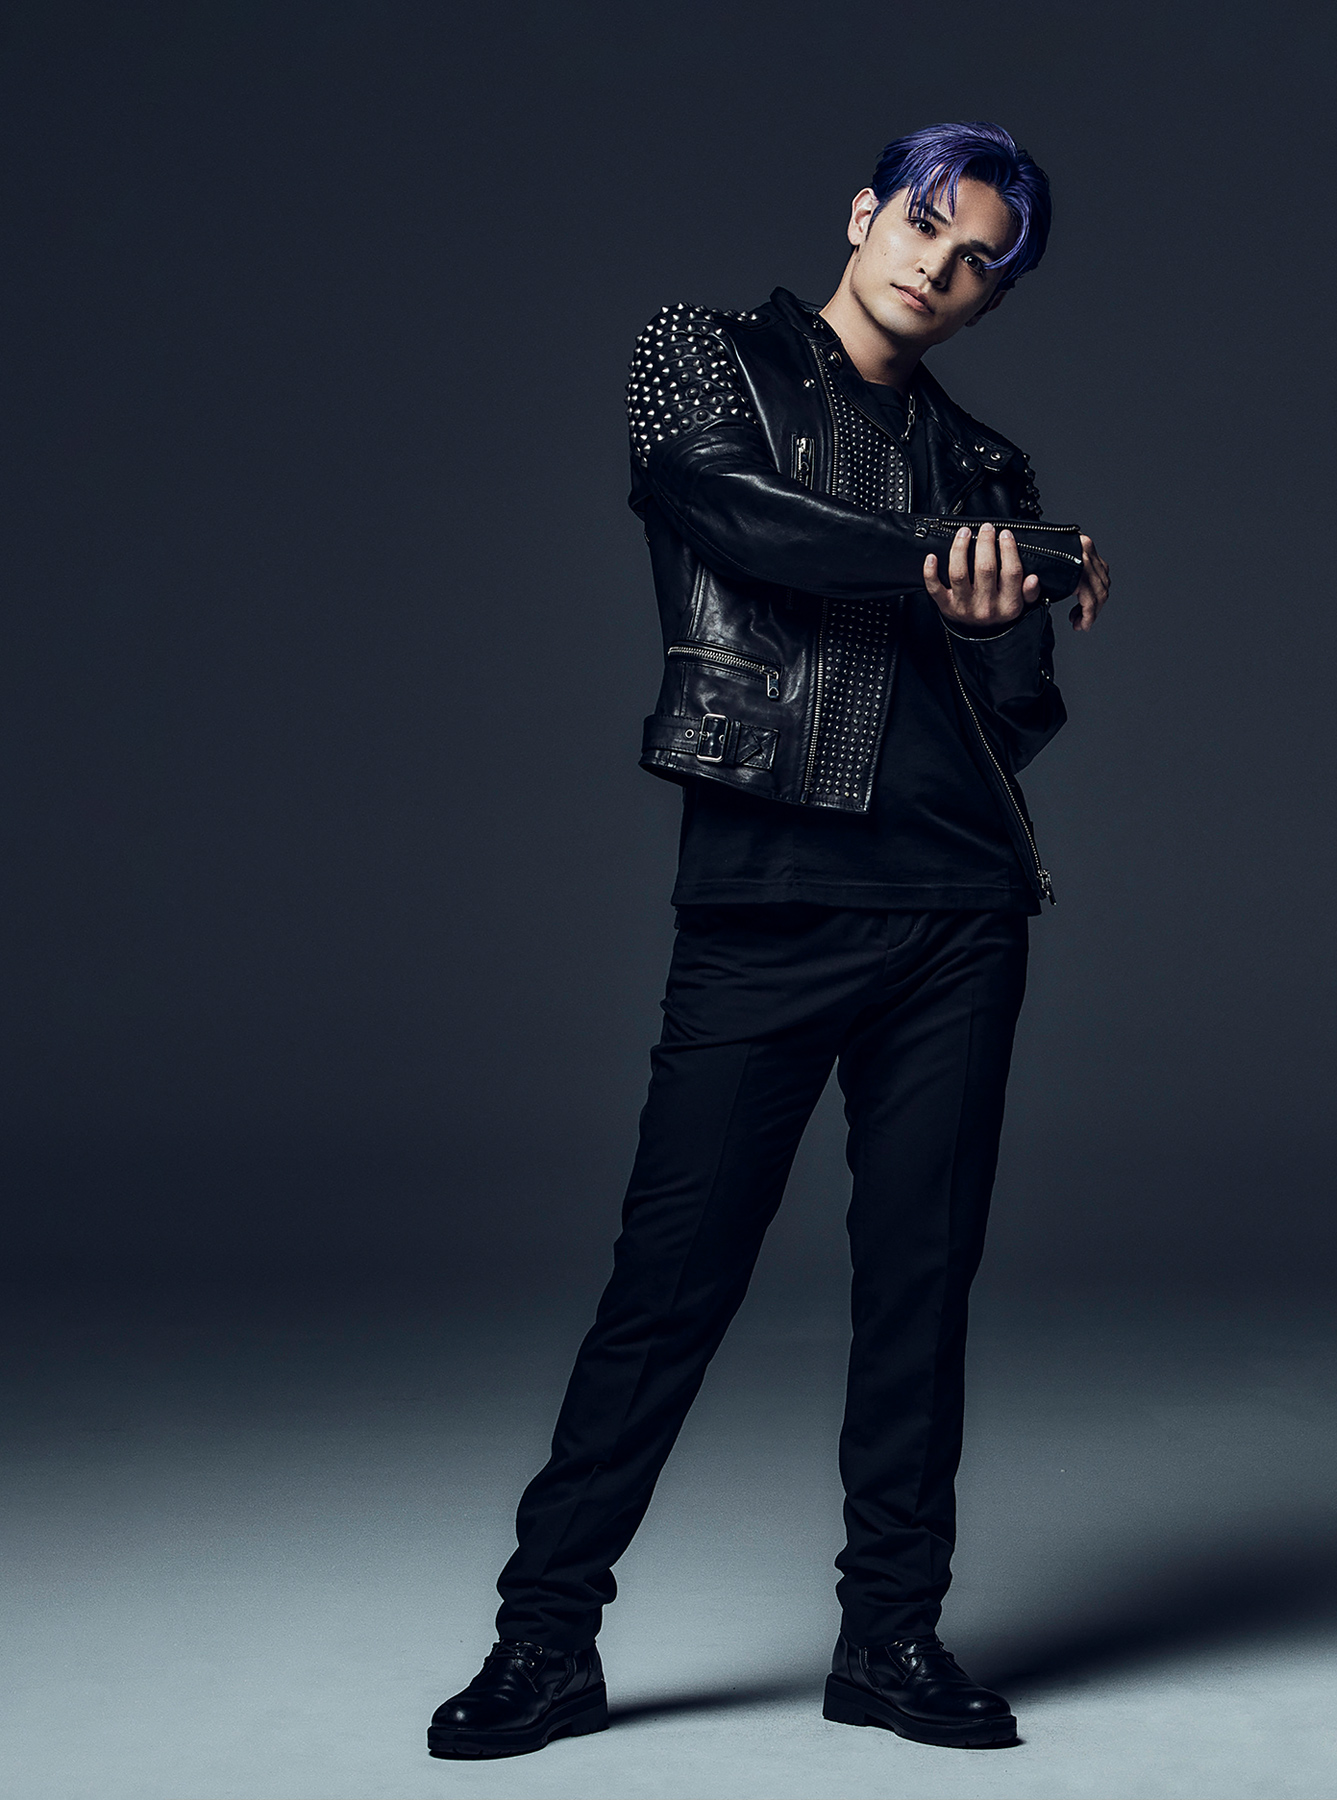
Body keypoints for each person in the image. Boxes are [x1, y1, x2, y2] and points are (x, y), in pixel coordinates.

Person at [429, 119, 1112, 1760]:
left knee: (918, 1290)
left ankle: (891, 1639)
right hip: (769, 903)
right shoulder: (707, 358)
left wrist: (1003, 614)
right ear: (866, 212)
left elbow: (1017, 717)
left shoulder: (989, 470)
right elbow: (738, 522)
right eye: (924, 228)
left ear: (990, 300)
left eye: (975, 267)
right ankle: (544, 1640)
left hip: (958, 916)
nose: (935, 270)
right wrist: (959, 566)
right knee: (668, 1285)